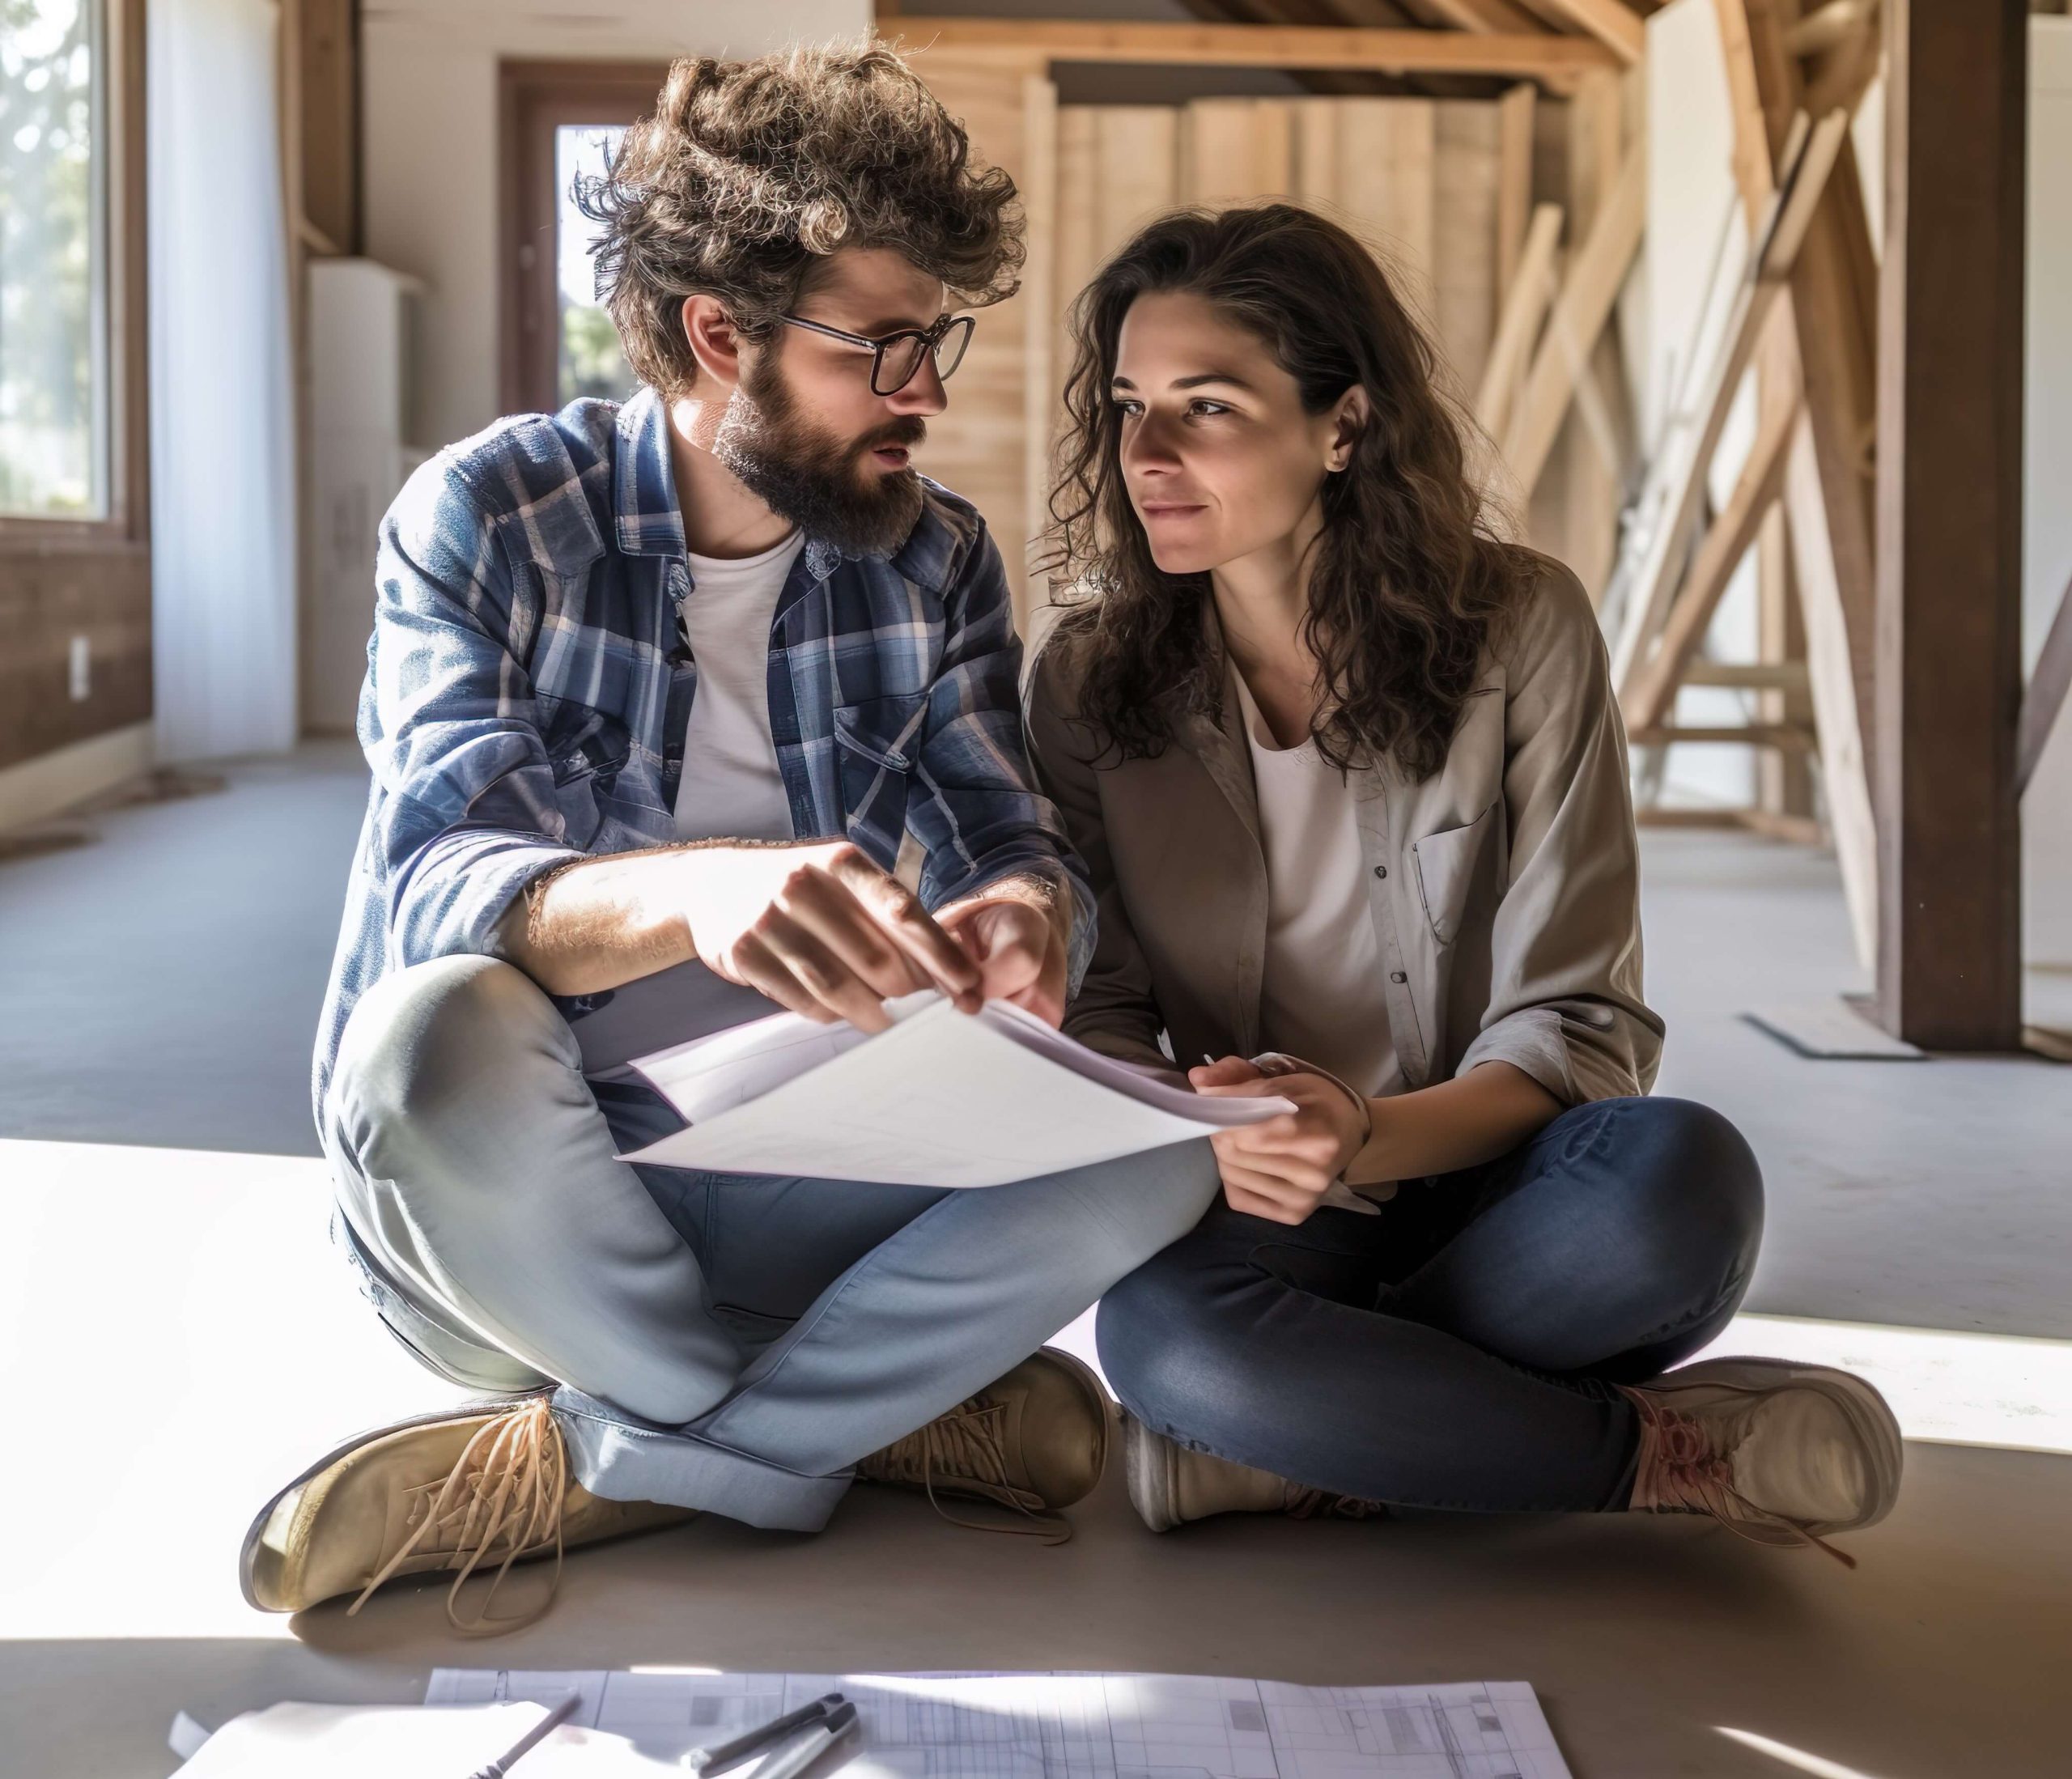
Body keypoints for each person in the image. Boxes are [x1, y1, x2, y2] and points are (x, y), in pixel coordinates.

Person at [244, 41, 1219, 1631]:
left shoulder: (931, 557)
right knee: (428, 1039)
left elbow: (1004, 822)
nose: (928, 392)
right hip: (520, 1205)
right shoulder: (487, 514)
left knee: (1167, 1145)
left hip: (796, 1162)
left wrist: (1028, 910)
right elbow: (437, 881)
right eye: (882, 348)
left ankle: (615, 1459)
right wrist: (692, 900)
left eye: (936, 339)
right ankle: (865, 1421)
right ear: (717, 334)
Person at [1023, 204, 1901, 1559]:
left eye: (1206, 407)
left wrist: (1363, 1135)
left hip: (1501, 1191)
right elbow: (1107, 1007)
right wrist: (1222, 1130)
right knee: (1160, 1336)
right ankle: (1658, 1456)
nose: (1144, 455)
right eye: (1131, 404)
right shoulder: (1086, 682)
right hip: (1266, 1221)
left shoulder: (1524, 626)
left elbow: (1581, 1025)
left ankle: (1310, 1440)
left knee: (1684, 1187)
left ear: (1344, 425)